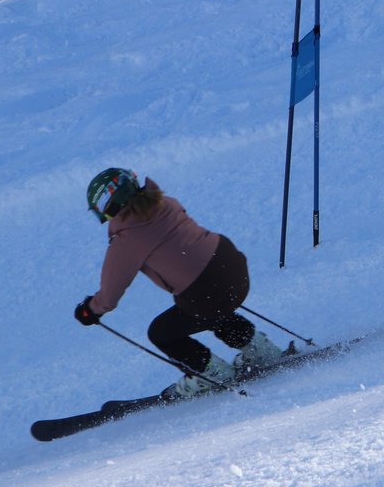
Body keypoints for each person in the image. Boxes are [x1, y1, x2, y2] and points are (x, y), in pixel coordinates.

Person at [74, 168, 288, 398]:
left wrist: (90, 310)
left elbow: (110, 294)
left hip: (205, 290)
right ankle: (260, 350)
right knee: (211, 309)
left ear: (110, 206)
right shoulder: (166, 203)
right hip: (234, 269)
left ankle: (212, 373)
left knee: (162, 333)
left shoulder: (127, 239)